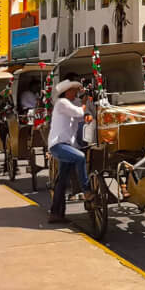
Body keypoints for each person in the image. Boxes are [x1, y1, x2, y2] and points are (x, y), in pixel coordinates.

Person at [47, 81, 89, 222]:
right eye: (73, 90)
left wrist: (87, 110)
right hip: (58, 145)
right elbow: (79, 112)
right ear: (66, 92)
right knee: (80, 158)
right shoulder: (62, 103)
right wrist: (85, 103)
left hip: (67, 145)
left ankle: (56, 213)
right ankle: (86, 190)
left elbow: (81, 117)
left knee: (62, 182)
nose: (76, 93)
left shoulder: (69, 104)